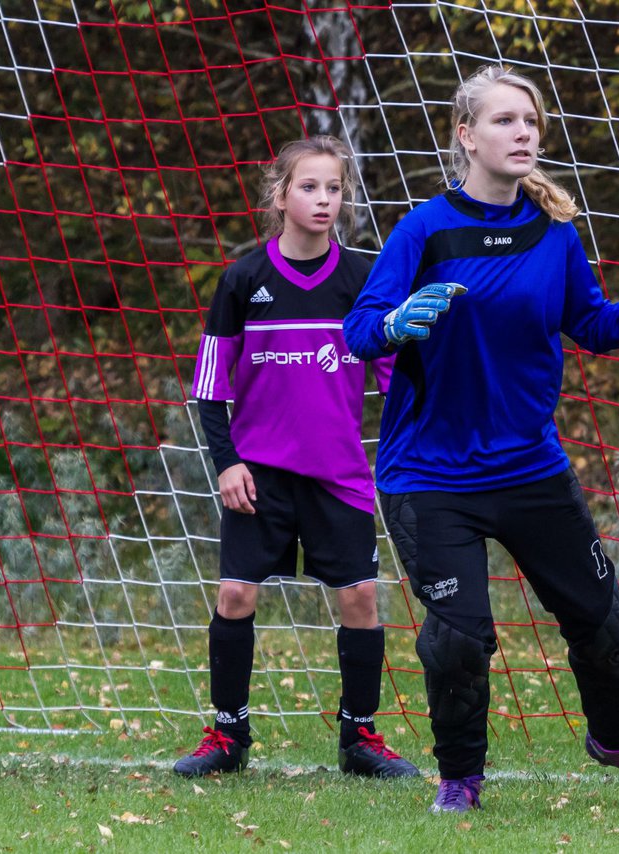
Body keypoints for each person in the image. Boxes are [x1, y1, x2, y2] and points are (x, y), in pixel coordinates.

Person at [342, 66, 619, 812]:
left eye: (532, 122)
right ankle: (461, 781)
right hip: (431, 475)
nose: (524, 133)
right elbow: (360, 330)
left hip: (529, 468)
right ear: (465, 134)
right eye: (505, 120)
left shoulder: (553, 234)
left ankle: (617, 741)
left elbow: (589, 323)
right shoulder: (424, 230)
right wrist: (394, 325)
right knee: (457, 639)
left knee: (605, 623)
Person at [176, 135, 417, 780]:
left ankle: (360, 738)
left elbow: (398, 380)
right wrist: (227, 463)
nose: (323, 199)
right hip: (259, 474)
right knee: (234, 595)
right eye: (308, 187)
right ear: (280, 195)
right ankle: (228, 736)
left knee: (361, 598)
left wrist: (405, 454)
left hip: (339, 473)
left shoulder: (363, 281)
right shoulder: (242, 280)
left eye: (334, 188)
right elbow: (209, 385)